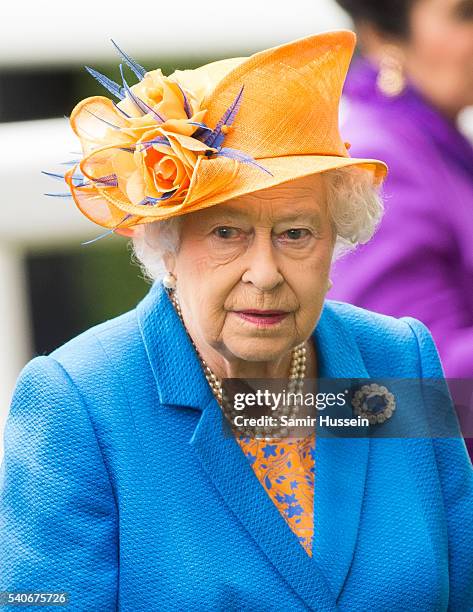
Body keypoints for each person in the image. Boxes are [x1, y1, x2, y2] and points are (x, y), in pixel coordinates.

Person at [1, 31, 472, 611]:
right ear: (167, 243)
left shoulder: (397, 360)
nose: (266, 273)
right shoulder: (81, 403)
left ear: (336, 242)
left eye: (295, 233)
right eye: (227, 233)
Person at [330, 0, 473, 379]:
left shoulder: (440, 148)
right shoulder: (378, 162)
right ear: (382, 36)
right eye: (466, 14)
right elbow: (406, 375)